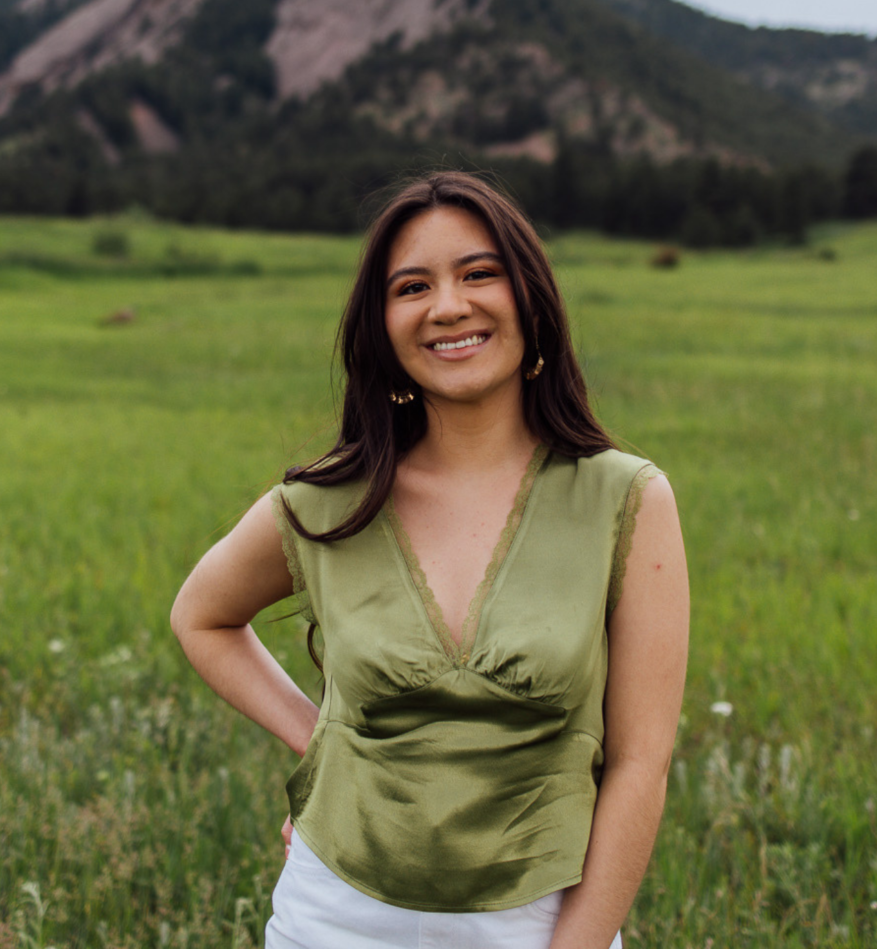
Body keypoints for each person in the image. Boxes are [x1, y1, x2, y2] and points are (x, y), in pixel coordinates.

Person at [170, 171, 690, 949]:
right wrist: (321, 744)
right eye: (412, 286)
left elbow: (640, 765)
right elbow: (201, 616)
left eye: (479, 273)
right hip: (334, 918)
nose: (448, 306)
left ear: (531, 298)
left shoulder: (626, 501)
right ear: (383, 326)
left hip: (539, 920)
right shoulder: (327, 504)